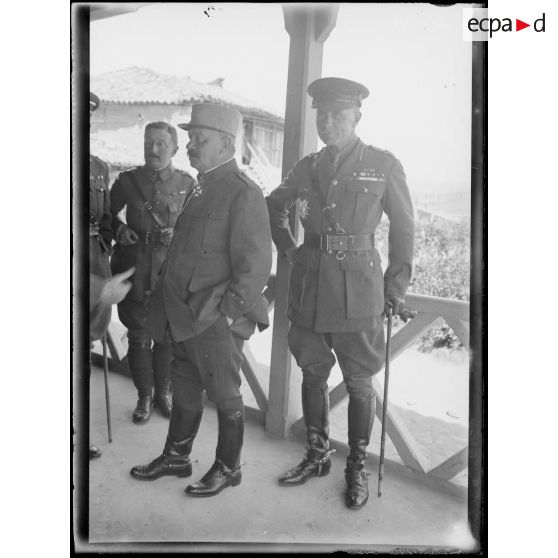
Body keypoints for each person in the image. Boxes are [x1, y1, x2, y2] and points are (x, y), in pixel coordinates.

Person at [265, 77, 415, 510]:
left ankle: (357, 467)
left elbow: (404, 230)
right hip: (310, 286)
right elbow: (274, 204)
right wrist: (287, 247)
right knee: (313, 373)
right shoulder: (307, 167)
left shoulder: (383, 165)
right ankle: (316, 454)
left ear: (357, 117)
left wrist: (396, 287)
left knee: (359, 380)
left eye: (338, 115)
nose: (327, 122)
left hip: (359, 291)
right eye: (322, 114)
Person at [130, 103, 272, 497]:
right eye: (190, 138)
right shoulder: (201, 186)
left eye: (200, 139)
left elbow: (255, 266)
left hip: (212, 317)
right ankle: (177, 457)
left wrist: (226, 315)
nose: (191, 146)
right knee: (186, 388)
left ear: (226, 144)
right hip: (182, 313)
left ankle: (229, 467)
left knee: (225, 394)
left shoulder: (243, 192)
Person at [110, 122, 195, 424]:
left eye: (161, 143)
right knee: (137, 337)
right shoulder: (128, 181)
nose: (153, 149)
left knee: (166, 339)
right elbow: (106, 214)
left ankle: (164, 394)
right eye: (149, 142)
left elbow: (198, 227)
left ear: (174, 149)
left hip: (169, 275)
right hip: (135, 269)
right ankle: (144, 396)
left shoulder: (187, 184)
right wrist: (119, 229)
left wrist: (180, 235)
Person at [88, 92, 134, 458]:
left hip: (94, 260)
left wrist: (111, 236)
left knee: (85, 341)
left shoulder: (98, 167)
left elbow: (104, 217)